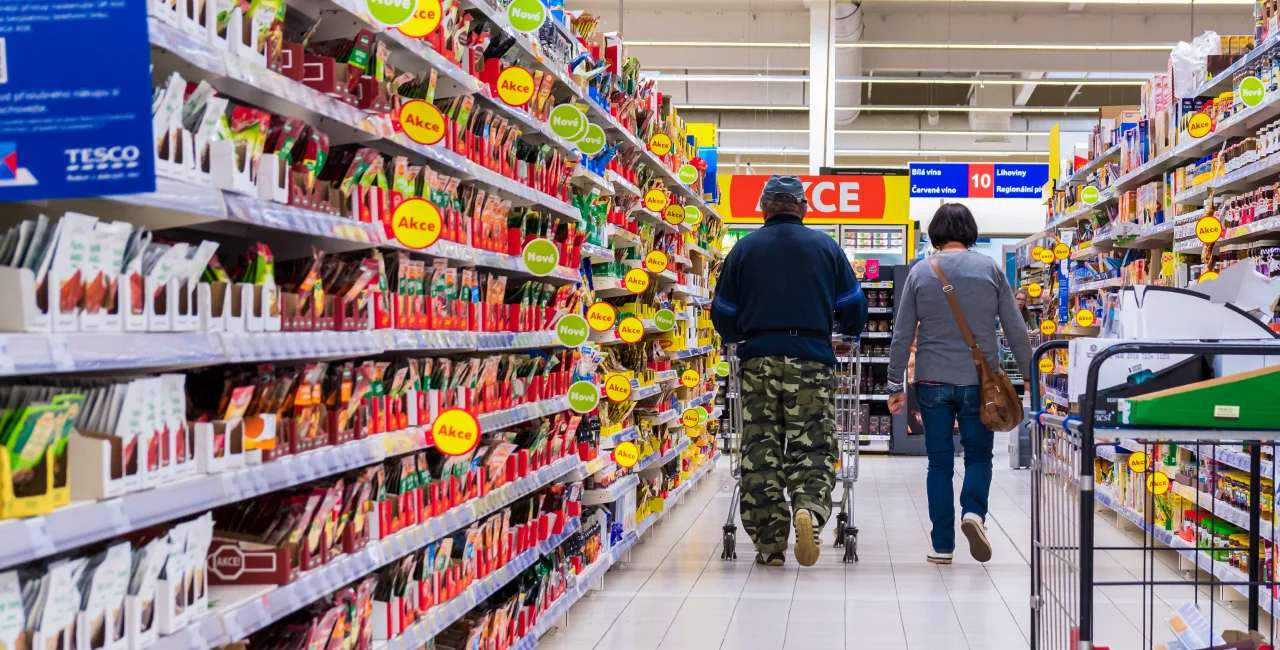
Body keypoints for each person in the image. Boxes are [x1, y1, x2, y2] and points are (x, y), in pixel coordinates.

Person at [710, 175, 869, 568]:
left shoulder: (744, 250)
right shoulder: (826, 248)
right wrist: (845, 331)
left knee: (759, 449)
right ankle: (810, 512)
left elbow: (723, 312)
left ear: (763, 207)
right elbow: (854, 309)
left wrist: (739, 337)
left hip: (757, 360)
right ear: (803, 207)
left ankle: (769, 544)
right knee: (812, 443)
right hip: (812, 359)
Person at [886, 203, 1031, 565]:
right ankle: (973, 514)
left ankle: (942, 545)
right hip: (980, 384)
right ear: (970, 231)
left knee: (939, 463)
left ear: (935, 233)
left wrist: (894, 384)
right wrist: (1030, 374)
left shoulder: (921, 272)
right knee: (979, 455)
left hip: (932, 381)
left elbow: (902, 334)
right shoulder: (991, 270)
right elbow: (1014, 327)